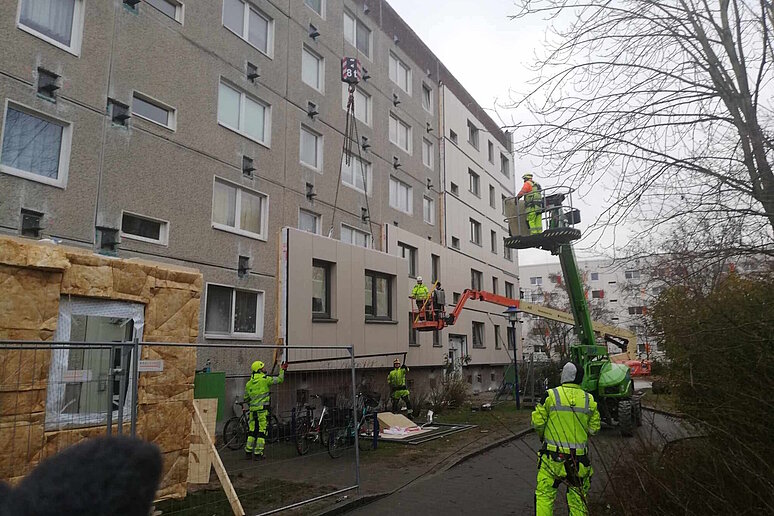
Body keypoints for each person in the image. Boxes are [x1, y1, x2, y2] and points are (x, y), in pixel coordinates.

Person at [531, 362, 601, 515]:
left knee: (545, 496)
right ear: (580, 378)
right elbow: (594, 428)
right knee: (578, 500)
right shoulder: (589, 399)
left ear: (564, 376)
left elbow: (537, 422)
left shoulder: (551, 395)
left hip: (552, 458)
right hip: (579, 461)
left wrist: (543, 436)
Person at [244, 360, 287, 460]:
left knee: (252, 431)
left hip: (252, 411)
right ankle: (258, 453)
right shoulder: (265, 380)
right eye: (263, 367)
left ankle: (248, 451)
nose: (264, 369)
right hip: (262, 411)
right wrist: (282, 370)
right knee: (262, 431)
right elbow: (280, 380)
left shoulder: (249, 383)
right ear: (259, 370)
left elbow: (246, 398)